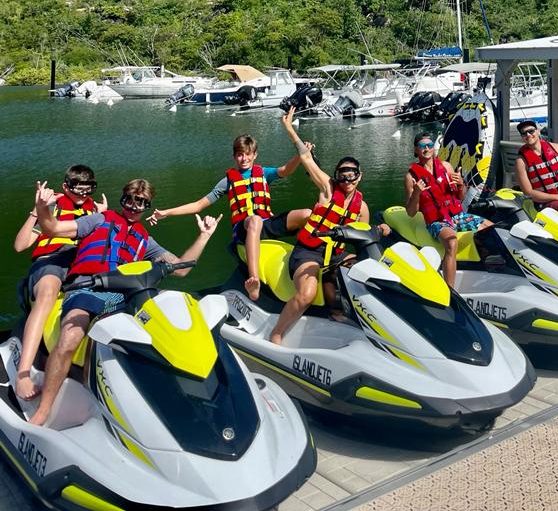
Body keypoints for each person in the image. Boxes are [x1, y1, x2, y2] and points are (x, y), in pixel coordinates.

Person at [28, 178, 221, 426]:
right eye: (130, 200)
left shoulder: (145, 240)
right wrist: (43, 208)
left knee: (163, 327)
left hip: (127, 295)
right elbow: (52, 228)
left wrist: (204, 237)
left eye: (140, 202)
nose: (133, 206)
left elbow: (181, 268)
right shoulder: (99, 220)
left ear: (147, 206)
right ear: (123, 199)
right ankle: (44, 410)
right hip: (89, 288)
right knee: (71, 336)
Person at [149, 133, 310, 301]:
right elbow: (199, 205)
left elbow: (286, 170)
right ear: (234, 157)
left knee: (307, 214)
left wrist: (300, 155)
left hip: (265, 223)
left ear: (255, 155)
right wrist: (166, 212)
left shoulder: (264, 173)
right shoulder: (227, 181)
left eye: (248, 154)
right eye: (240, 154)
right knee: (254, 220)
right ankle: (253, 281)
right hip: (244, 229)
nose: (244, 158)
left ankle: (306, 258)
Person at [270, 108, 370, 345]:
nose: (346, 181)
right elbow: (306, 158)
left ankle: (345, 316)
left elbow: (360, 240)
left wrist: (381, 231)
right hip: (309, 252)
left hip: (336, 255)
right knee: (306, 294)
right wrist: (290, 129)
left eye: (351, 175)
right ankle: (277, 332)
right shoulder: (328, 189)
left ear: (359, 176)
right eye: (342, 176)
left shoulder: (362, 207)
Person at [12, 165, 107, 401]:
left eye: (89, 189)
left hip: (82, 265)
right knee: (47, 294)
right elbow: (20, 245)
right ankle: (23, 373)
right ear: (66, 187)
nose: (84, 194)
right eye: (78, 189)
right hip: (51, 261)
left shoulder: (95, 210)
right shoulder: (52, 205)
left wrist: (102, 216)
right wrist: (38, 210)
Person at [404, 133, 492, 288]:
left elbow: (461, 197)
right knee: (452, 242)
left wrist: (461, 185)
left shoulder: (446, 167)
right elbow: (411, 212)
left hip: (457, 216)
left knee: (492, 229)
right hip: (437, 221)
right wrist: (417, 192)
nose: (427, 149)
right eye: (422, 146)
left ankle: (487, 268)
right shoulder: (411, 176)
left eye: (430, 145)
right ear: (415, 150)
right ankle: (450, 290)